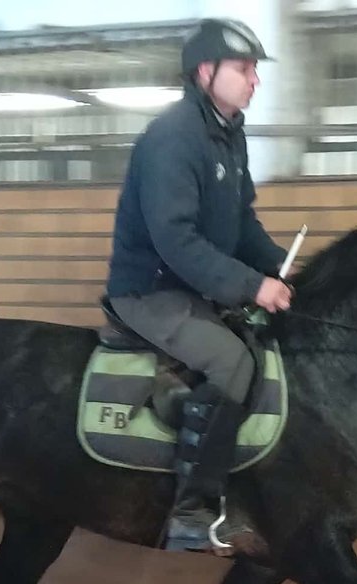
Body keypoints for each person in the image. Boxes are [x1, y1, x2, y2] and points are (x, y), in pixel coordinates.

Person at [104, 18, 292, 552]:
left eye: (255, 69)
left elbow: (242, 223)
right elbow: (176, 242)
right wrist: (252, 286)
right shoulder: (173, 137)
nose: (254, 79)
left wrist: (279, 267)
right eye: (244, 68)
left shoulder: (230, 136)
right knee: (232, 361)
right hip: (150, 290)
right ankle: (191, 510)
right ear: (205, 72)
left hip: (192, 286)